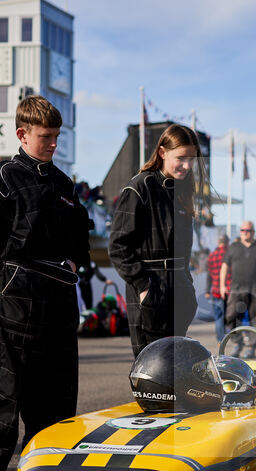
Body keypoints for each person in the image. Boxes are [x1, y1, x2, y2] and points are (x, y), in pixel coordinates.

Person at [0, 95, 91, 471]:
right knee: (5, 399)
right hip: (14, 302)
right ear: (22, 134)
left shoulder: (64, 184)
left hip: (58, 304)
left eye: (56, 136)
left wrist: (75, 259)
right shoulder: (1, 178)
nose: (53, 143)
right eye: (45, 136)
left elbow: (81, 237)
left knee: (56, 403)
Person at [109, 124, 205, 357]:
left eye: (192, 159)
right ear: (162, 153)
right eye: (181, 158)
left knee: (177, 372)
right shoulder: (139, 187)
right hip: (151, 291)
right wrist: (144, 287)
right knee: (153, 372)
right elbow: (118, 247)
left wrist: (187, 284)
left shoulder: (182, 191)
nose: (187, 166)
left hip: (180, 291)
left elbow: (185, 249)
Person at [219, 220, 256, 358]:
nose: (245, 233)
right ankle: (237, 344)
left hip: (255, 289)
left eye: (248, 230)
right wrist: (222, 285)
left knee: (255, 319)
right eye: (243, 230)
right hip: (235, 288)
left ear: (253, 232)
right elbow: (225, 267)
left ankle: (251, 347)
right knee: (231, 317)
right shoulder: (234, 247)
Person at [203, 233, 230, 343]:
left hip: (215, 290)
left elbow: (209, 275)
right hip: (228, 289)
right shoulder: (229, 254)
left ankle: (220, 340)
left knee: (219, 317)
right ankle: (231, 336)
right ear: (227, 242)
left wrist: (207, 290)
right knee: (230, 315)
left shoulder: (212, 256)